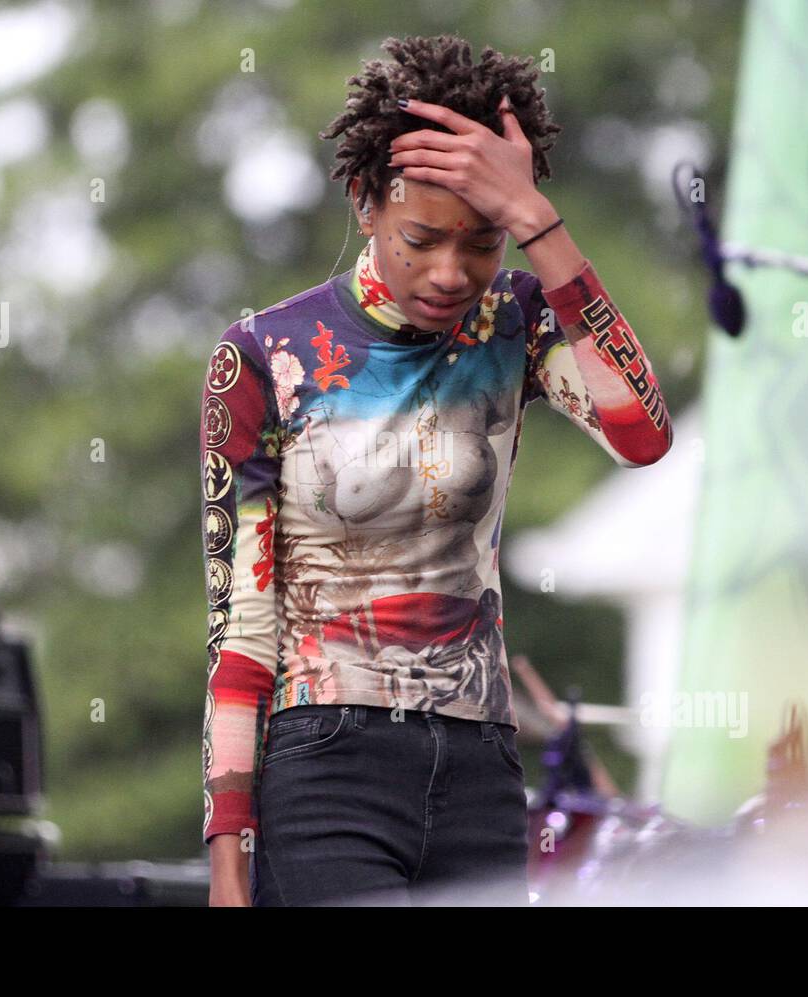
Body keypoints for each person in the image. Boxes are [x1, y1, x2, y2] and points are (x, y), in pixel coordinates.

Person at [200, 34, 673, 906]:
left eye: (484, 242)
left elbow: (640, 432)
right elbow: (242, 620)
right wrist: (228, 847)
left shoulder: (519, 321)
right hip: (324, 760)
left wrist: (539, 225)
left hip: (480, 765)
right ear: (365, 200)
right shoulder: (264, 356)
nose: (453, 272)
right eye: (423, 238)